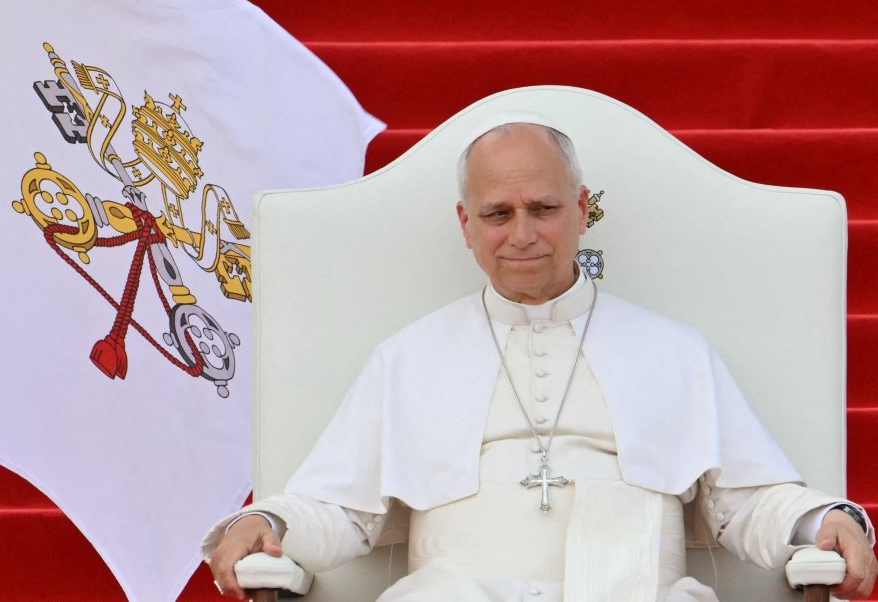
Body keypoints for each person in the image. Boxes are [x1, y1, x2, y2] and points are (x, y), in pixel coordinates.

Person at [203, 114, 878, 601]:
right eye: (498, 213)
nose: (521, 234)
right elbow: (343, 510)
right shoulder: (409, 357)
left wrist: (826, 520)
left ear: (582, 211)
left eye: (544, 208)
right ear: (466, 227)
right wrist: (269, 519)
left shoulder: (673, 351)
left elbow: (749, 502)